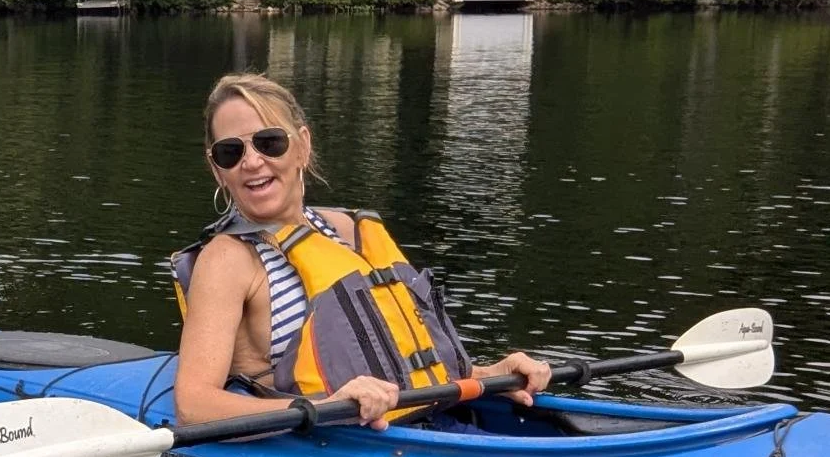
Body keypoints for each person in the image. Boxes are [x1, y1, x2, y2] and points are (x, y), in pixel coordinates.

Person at [172, 72, 549, 428]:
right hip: (332, 443)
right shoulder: (228, 259)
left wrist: (490, 375)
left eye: (270, 142)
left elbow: (398, 358)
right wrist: (330, 406)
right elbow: (194, 405)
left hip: (424, 423)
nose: (252, 162)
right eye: (230, 152)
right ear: (217, 168)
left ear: (302, 146)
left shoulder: (348, 230)